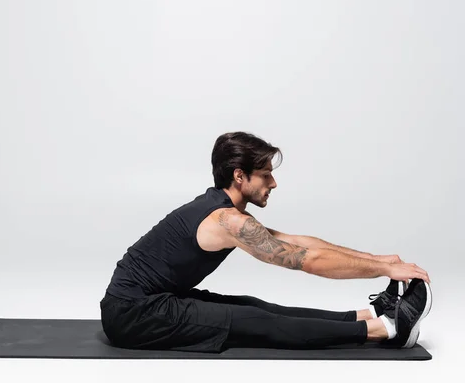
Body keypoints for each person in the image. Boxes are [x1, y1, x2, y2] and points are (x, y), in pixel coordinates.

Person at [100, 131, 432, 353]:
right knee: (261, 324)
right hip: (133, 314)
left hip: (152, 300)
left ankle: (369, 313)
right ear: (239, 176)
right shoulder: (227, 221)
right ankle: (388, 329)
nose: (273, 182)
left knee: (254, 306)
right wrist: (379, 269)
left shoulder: (225, 211)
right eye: (265, 174)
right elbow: (307, 260)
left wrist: (382, 261)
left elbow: (299, 242)